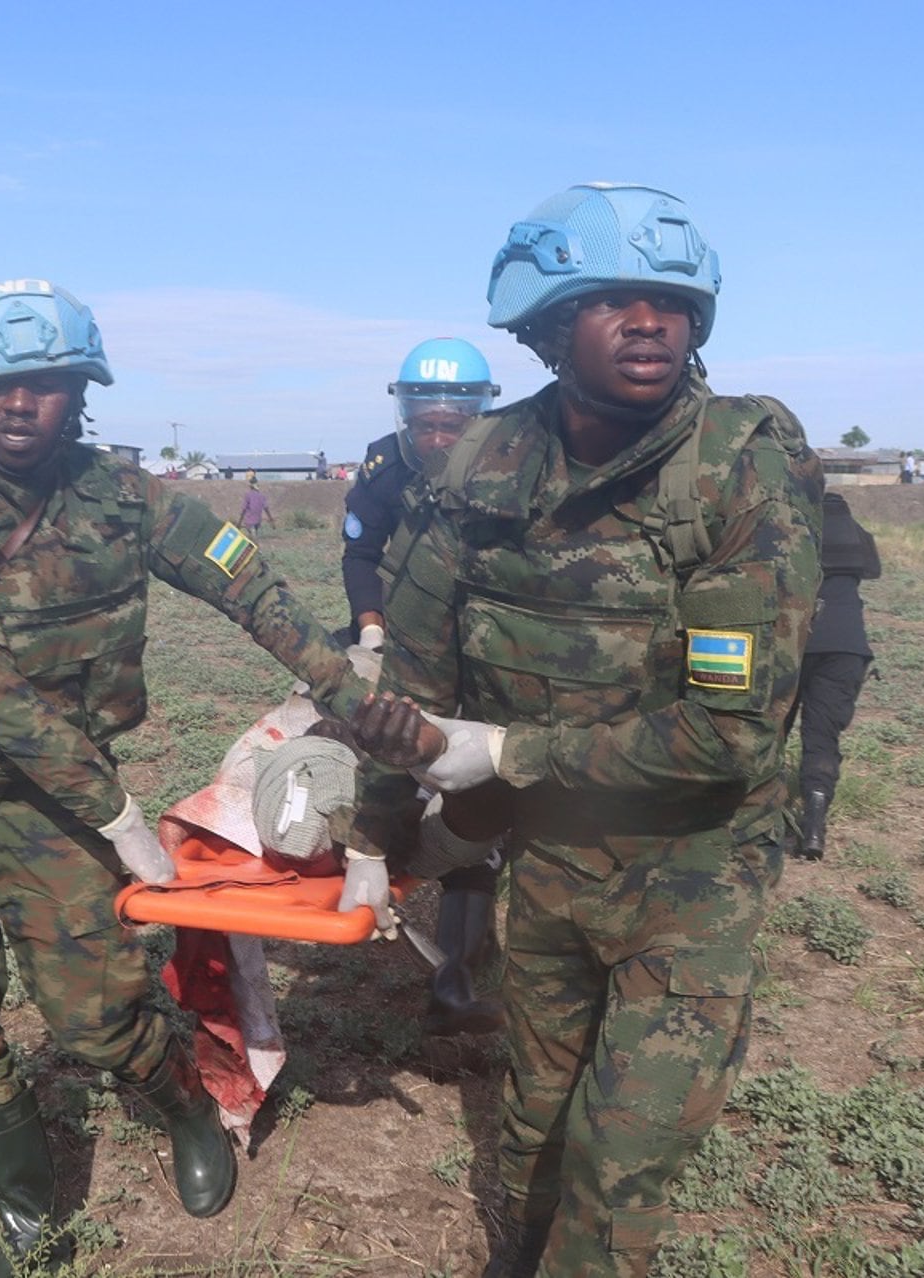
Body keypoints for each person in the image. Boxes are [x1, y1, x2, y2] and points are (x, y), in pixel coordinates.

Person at [345, 184, 823, 1278]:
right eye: (610, 301)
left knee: (621, 1156)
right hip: (551, 862)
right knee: (534, 1118)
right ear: (551, 327)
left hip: (692, 872)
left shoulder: (735, 467)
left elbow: (729, 737)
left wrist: (509, 754)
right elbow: (412, 681)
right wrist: (380, 840)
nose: (647, 321)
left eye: (667, 301)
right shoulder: (484, 465)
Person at [0, 279, 364, 1278]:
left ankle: (186, 1108)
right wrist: (122, 812)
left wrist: (340, 683)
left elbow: (240, 574)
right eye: (2, 385)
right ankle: (25, 1223)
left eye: (47, 384)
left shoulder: (127, 500)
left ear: (81, 392)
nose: (22, 405)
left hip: (58, 809)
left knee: (98, 1018)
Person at [343, 337, 505, 1036]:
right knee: (390, 766)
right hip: (400, 637)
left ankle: (459, 976)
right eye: (426, 420)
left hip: (481, 641)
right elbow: (359, 553)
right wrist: (370, 627)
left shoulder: (510, 464)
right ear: (405, 412)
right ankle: (375, 865)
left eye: (453, 422)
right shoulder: (383, 467)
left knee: (478, 798)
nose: (437, 434)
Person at [792, 491, 880, 858]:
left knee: (767, 731)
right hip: (846, 647)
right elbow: (873, 572)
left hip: (793, 641)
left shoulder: (794, 532)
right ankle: (813, 826)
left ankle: (758, 820)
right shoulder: (858, 537)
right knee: (822, 737)